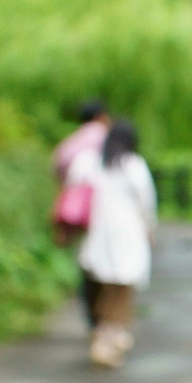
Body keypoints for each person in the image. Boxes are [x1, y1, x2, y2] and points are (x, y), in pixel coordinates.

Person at [67, 120, 157, 368]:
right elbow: (147, 204)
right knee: (122, 291)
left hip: (98, 235)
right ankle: (113, 338)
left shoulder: (92, 163)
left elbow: (72, 184)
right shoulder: (135, 166)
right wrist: (150, 231)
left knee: (102, 288)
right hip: (128, 236)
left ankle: (103, 337)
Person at [53, 100, 112, 328]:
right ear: (101, 116)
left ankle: (91, 313)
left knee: (85, 260)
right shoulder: (104, 137)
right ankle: (104, 316)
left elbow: (57, 168)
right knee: (106, 262)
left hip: (77, 210)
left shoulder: (71, 142)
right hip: (103, 209)